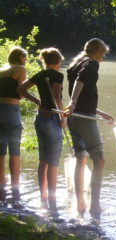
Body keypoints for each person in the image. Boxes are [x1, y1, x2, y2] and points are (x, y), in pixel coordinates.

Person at [65, 38, 113, 216]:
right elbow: (80, 81)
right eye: (104, 54)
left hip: (76, 117)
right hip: (84, 118)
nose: (104, 58)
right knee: (99, 159)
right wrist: (72, 103)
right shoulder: (91, 64)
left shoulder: (77, 63)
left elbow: (82, 92)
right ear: (98, 51)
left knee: (81, 158)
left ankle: (81, 204)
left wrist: (100, 113)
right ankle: (95, 206)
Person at [17, 48, 66, 209]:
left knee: (43, 160)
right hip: (53, 118)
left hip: (40, 119)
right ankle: (53, 202)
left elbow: (20, 89)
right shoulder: (58, 75)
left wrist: (37, 101)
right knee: (53, 162)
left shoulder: (39, 75)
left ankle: (43, 196)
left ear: (45, 61)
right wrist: (63, 118)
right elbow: (57, 96)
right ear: (58, 61)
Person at [0, 46, 27, 202]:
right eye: (25, 57)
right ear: (19, 57)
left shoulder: (3, 70)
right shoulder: (20, 69)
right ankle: (15, 187)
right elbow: (21, 92)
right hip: (11, 110)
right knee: (14, 149)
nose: (26, 60)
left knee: (1, 149)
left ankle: (1, 184)